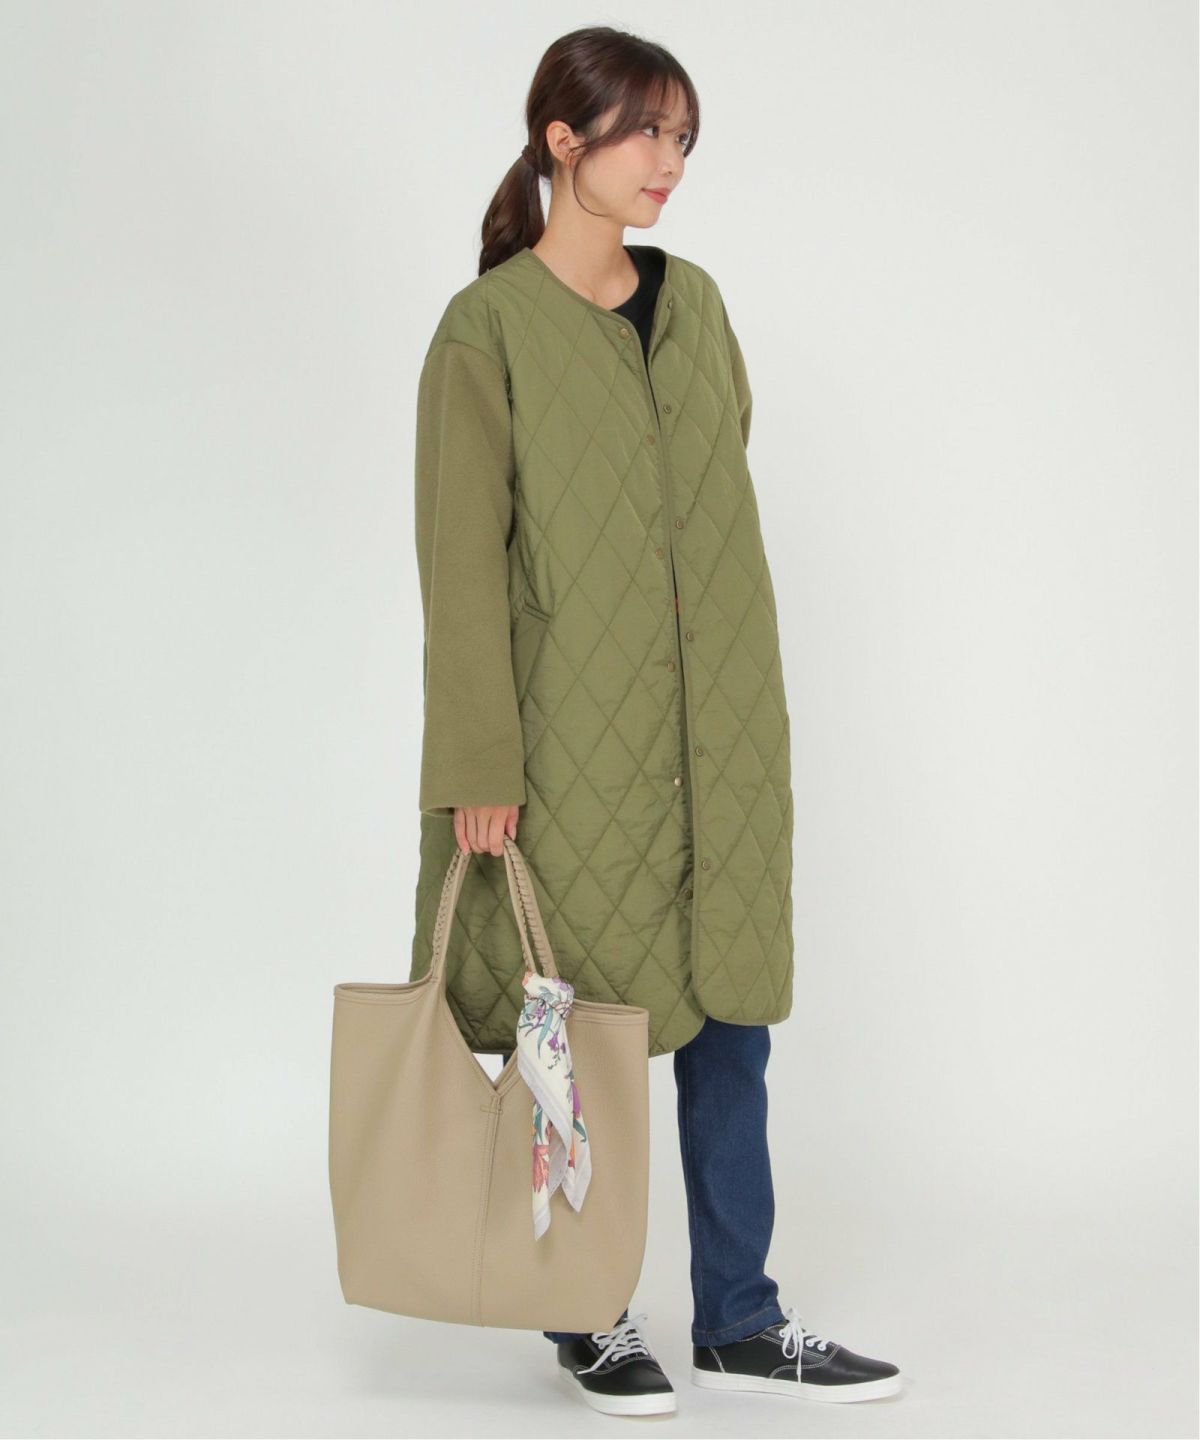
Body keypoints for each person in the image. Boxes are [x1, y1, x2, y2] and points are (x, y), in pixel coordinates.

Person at [410, 24, 903, 1417]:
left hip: (719, 729)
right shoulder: (485, 331)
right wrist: (479, 763)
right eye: (644, 132)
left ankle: (741, 1317)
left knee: (732, 1021)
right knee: (586, 1031)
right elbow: (459, 565)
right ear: (562, 140)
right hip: (570, 743)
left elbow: (706, 481)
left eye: (683, 137)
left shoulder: (699, 306)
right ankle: (587, 1312)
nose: (669, 161)